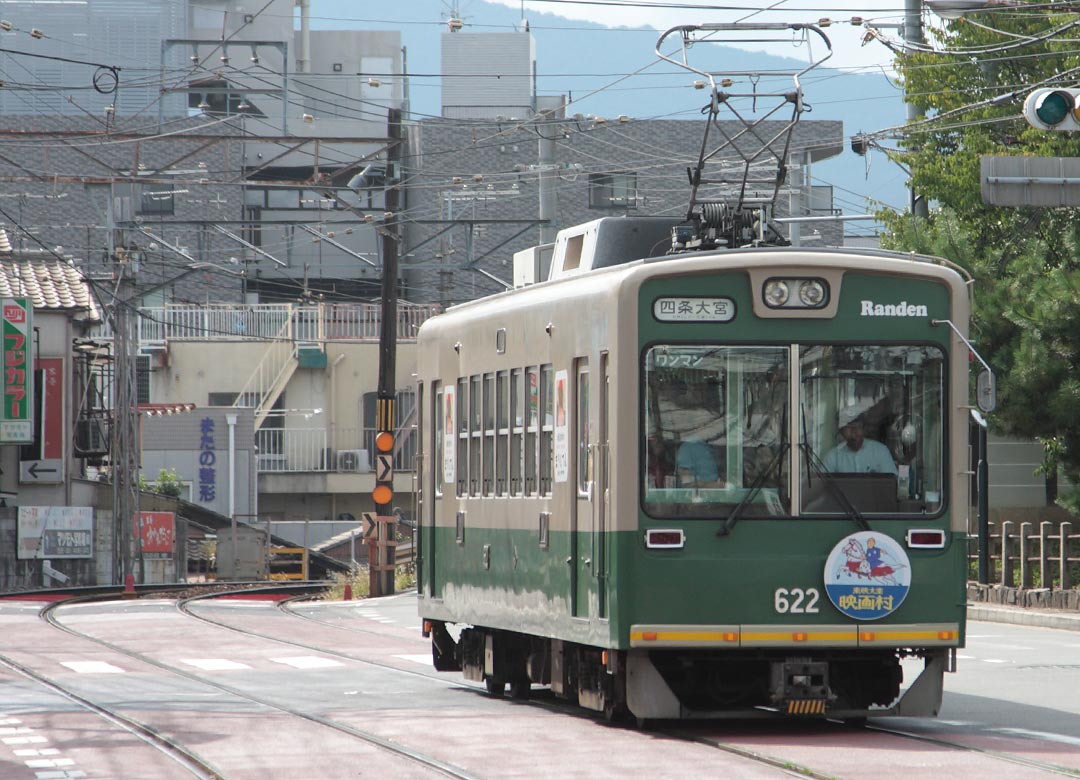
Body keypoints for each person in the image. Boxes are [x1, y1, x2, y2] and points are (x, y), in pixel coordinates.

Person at [822, 405, 897, 475]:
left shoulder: (880, 451)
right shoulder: (833, 456)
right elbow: (820, 485)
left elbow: (892, 484)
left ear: (864, 428)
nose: (854, 430)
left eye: (858, 426)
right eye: (849, 426)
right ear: (841, 431)